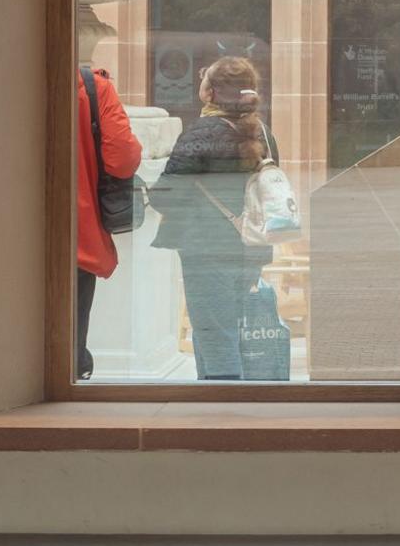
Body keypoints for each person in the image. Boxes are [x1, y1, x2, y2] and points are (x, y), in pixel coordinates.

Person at [150, 55, 280, 379]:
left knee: (214, 334)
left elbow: (165, 195)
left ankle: (225, 414)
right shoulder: (263, 132)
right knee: (221, 329)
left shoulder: (203, 132)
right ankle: (209, 400)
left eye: (204, 80)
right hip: (250, 248)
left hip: (208, 252)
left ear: (210, 93)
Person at [75, 60, 142, 382]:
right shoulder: (94, 88)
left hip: (4, 228)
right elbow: (122, 158)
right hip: (77, 226)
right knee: (71, 324)